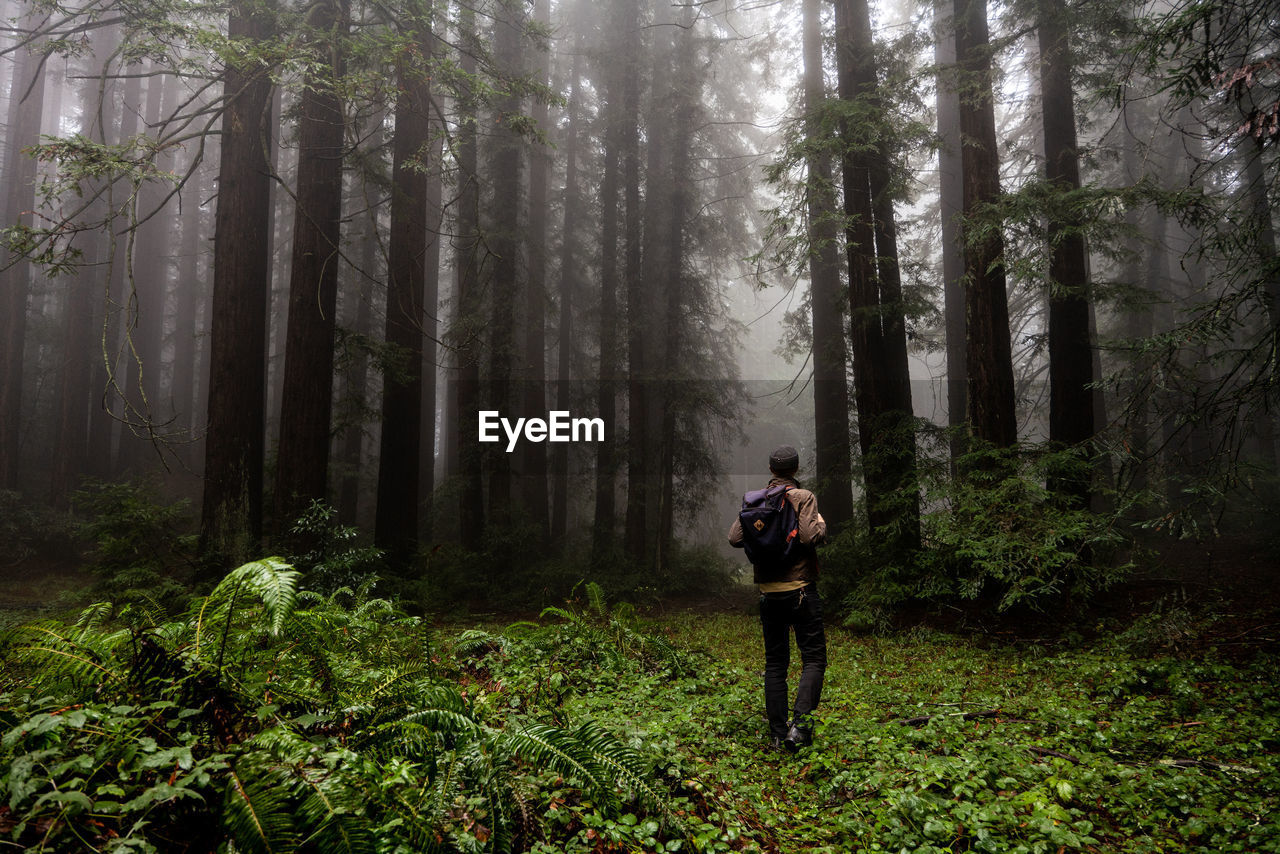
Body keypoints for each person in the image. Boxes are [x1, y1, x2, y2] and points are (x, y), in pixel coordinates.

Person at [728, 445, 828, 753]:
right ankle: (799, 728)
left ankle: (776, 732)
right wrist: (821, 524)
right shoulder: (803, 497)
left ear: (772, 470)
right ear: (795, 470)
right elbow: (811, 537)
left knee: (776, 663)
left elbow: (734, 537)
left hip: (768, 593)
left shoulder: (755, 500)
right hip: (799, 589)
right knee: (813, 658)